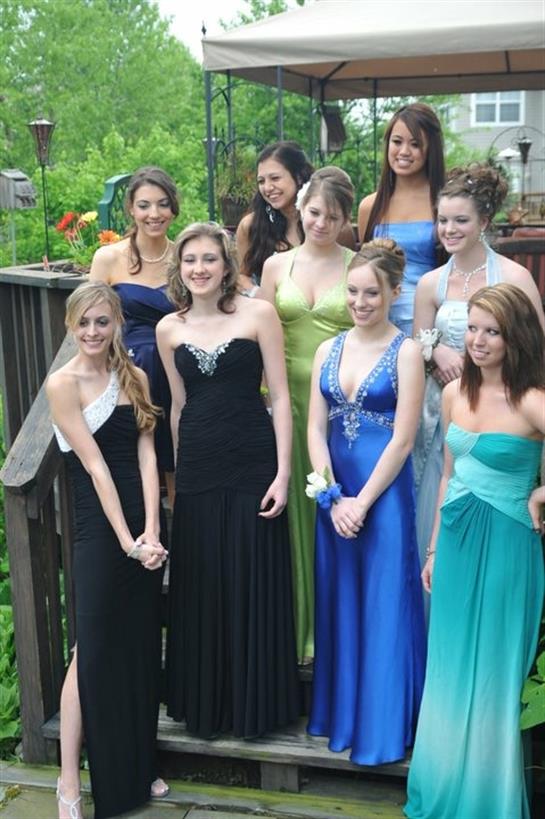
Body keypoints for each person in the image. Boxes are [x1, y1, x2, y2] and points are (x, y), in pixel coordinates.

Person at [405, 283, 545, 819]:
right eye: (473, 330)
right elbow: (448, 474)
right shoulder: (455, 393)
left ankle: (487, 801)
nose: (479, 341)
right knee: (449, 667)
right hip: (456, 545)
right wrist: (434, 552)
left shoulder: (531, 400)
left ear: (515, 338)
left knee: (493, 674)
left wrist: (540, 492)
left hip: (509, 546)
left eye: (493, 332)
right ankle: (444, 787)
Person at [156, 222, 299, 739]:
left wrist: (283, 473)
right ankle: (208, 706)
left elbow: (279, 396)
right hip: (198, 464)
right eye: (190, 259)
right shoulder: (168, 329)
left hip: (253, 460)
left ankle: (253, 707)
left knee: (250, 574)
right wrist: (178, 476)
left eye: (209, 259)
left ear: (226, 265)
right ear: (180, 268)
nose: (199, 268)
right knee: (205, 580)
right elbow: (179, 406)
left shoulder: (259, 314)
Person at [47, 281, 168, 819]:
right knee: (91, 650)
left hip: (141, 524)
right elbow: (95, 467)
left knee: (138, 647)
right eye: (84, 323)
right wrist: (125, 541)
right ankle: (69, 779)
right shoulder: (62, 384)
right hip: (99, 528)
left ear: (118, 322)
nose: (93, 332)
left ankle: (139, 765)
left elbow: (147, 456)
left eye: (103, 321)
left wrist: (152, 531)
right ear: (70, 326)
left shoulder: (135, 377)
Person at [307, 239, 426, 764]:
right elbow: (315, 429)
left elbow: (403, 439)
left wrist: (361, 502)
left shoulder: (406, 352)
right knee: (342, 600)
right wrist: (332, 496)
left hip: (384, 496)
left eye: (371, 293)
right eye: (353, 291)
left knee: (383, 602)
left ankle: (382, 727)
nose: (360, 302)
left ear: (394, 292)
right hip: (334, 498)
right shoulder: (327, 349)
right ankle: (344, 716)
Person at [412, 164, 544, 579]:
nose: (449, 230)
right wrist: (435, 353)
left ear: (484, 222)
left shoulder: (515, 276)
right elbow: (417, 344)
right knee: (440, 489)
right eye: (442, 220)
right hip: (443, 406)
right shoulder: (430, 283)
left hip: (502, 409)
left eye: (461, 221)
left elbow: (537, 348)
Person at [259, 166, 356, 663]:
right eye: (315, 212)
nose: (321, 223)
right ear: (300, 208)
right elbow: (258, 332)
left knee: (333, 507)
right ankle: (298, 629)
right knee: (294, 512)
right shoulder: (276, 267)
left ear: (345, 221)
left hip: (342, 408)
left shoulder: (357, 266)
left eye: (333, 217)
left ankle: (335, 631)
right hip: (285, 404)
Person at [90, 166, 179, 503]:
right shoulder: (108, 258)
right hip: (127, 373)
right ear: (131, 208)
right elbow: (88, 321)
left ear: (173, 208)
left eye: (162, 204)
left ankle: (183, 527)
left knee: (179, 461)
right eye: (144, 205)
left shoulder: (184, 257)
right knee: (131, 464)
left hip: (176, 372)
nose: (154, 214)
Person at [358, 102, 445, 335]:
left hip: (429, 321)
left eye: (415, 144)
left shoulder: (443, 203)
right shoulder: (370, 206)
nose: (404, 151)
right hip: (378, 318)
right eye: (397, 142)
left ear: (431, 149)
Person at [236, 141, 356, 290]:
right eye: (261, 181)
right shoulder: (251, 226)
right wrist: (259, 295)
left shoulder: (332, 227)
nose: (267, 187)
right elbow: (242, 276)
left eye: (275, 178)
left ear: (299, 177)